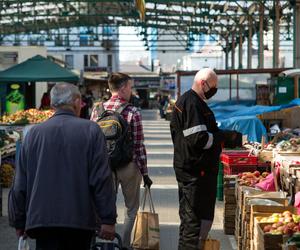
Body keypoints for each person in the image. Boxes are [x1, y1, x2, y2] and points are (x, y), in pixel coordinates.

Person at [9, 83, 117, 250]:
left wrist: (19, 221)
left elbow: (20, 183)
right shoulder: (91, 130)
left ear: (52, 104)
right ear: (76, 102)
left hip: (41, 221)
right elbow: (102, 178)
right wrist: (108, 219)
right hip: (80, 220)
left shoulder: (32, 134)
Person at [170, 68, 242, 250]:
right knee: (191, 225)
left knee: (198, 222)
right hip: (194, 174)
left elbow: (207, 133)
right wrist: (224, 137)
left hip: (201, 174)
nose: (214, 91)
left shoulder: (198, 103)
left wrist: (223, 136)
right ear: (203, 83)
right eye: (213, 87)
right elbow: (200, 139)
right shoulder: (191, 104)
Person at [90, 72, 153, 250]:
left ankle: (102, 242)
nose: (131, 91)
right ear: (124, 87)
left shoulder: (97, 109)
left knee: (103, 205)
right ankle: (124, 245)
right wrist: (145, 173)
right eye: (130, 87)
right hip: (128, 166)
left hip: (105, 166)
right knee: (131, 209)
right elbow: (139, 145)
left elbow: (92, 140)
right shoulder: (132, 111)